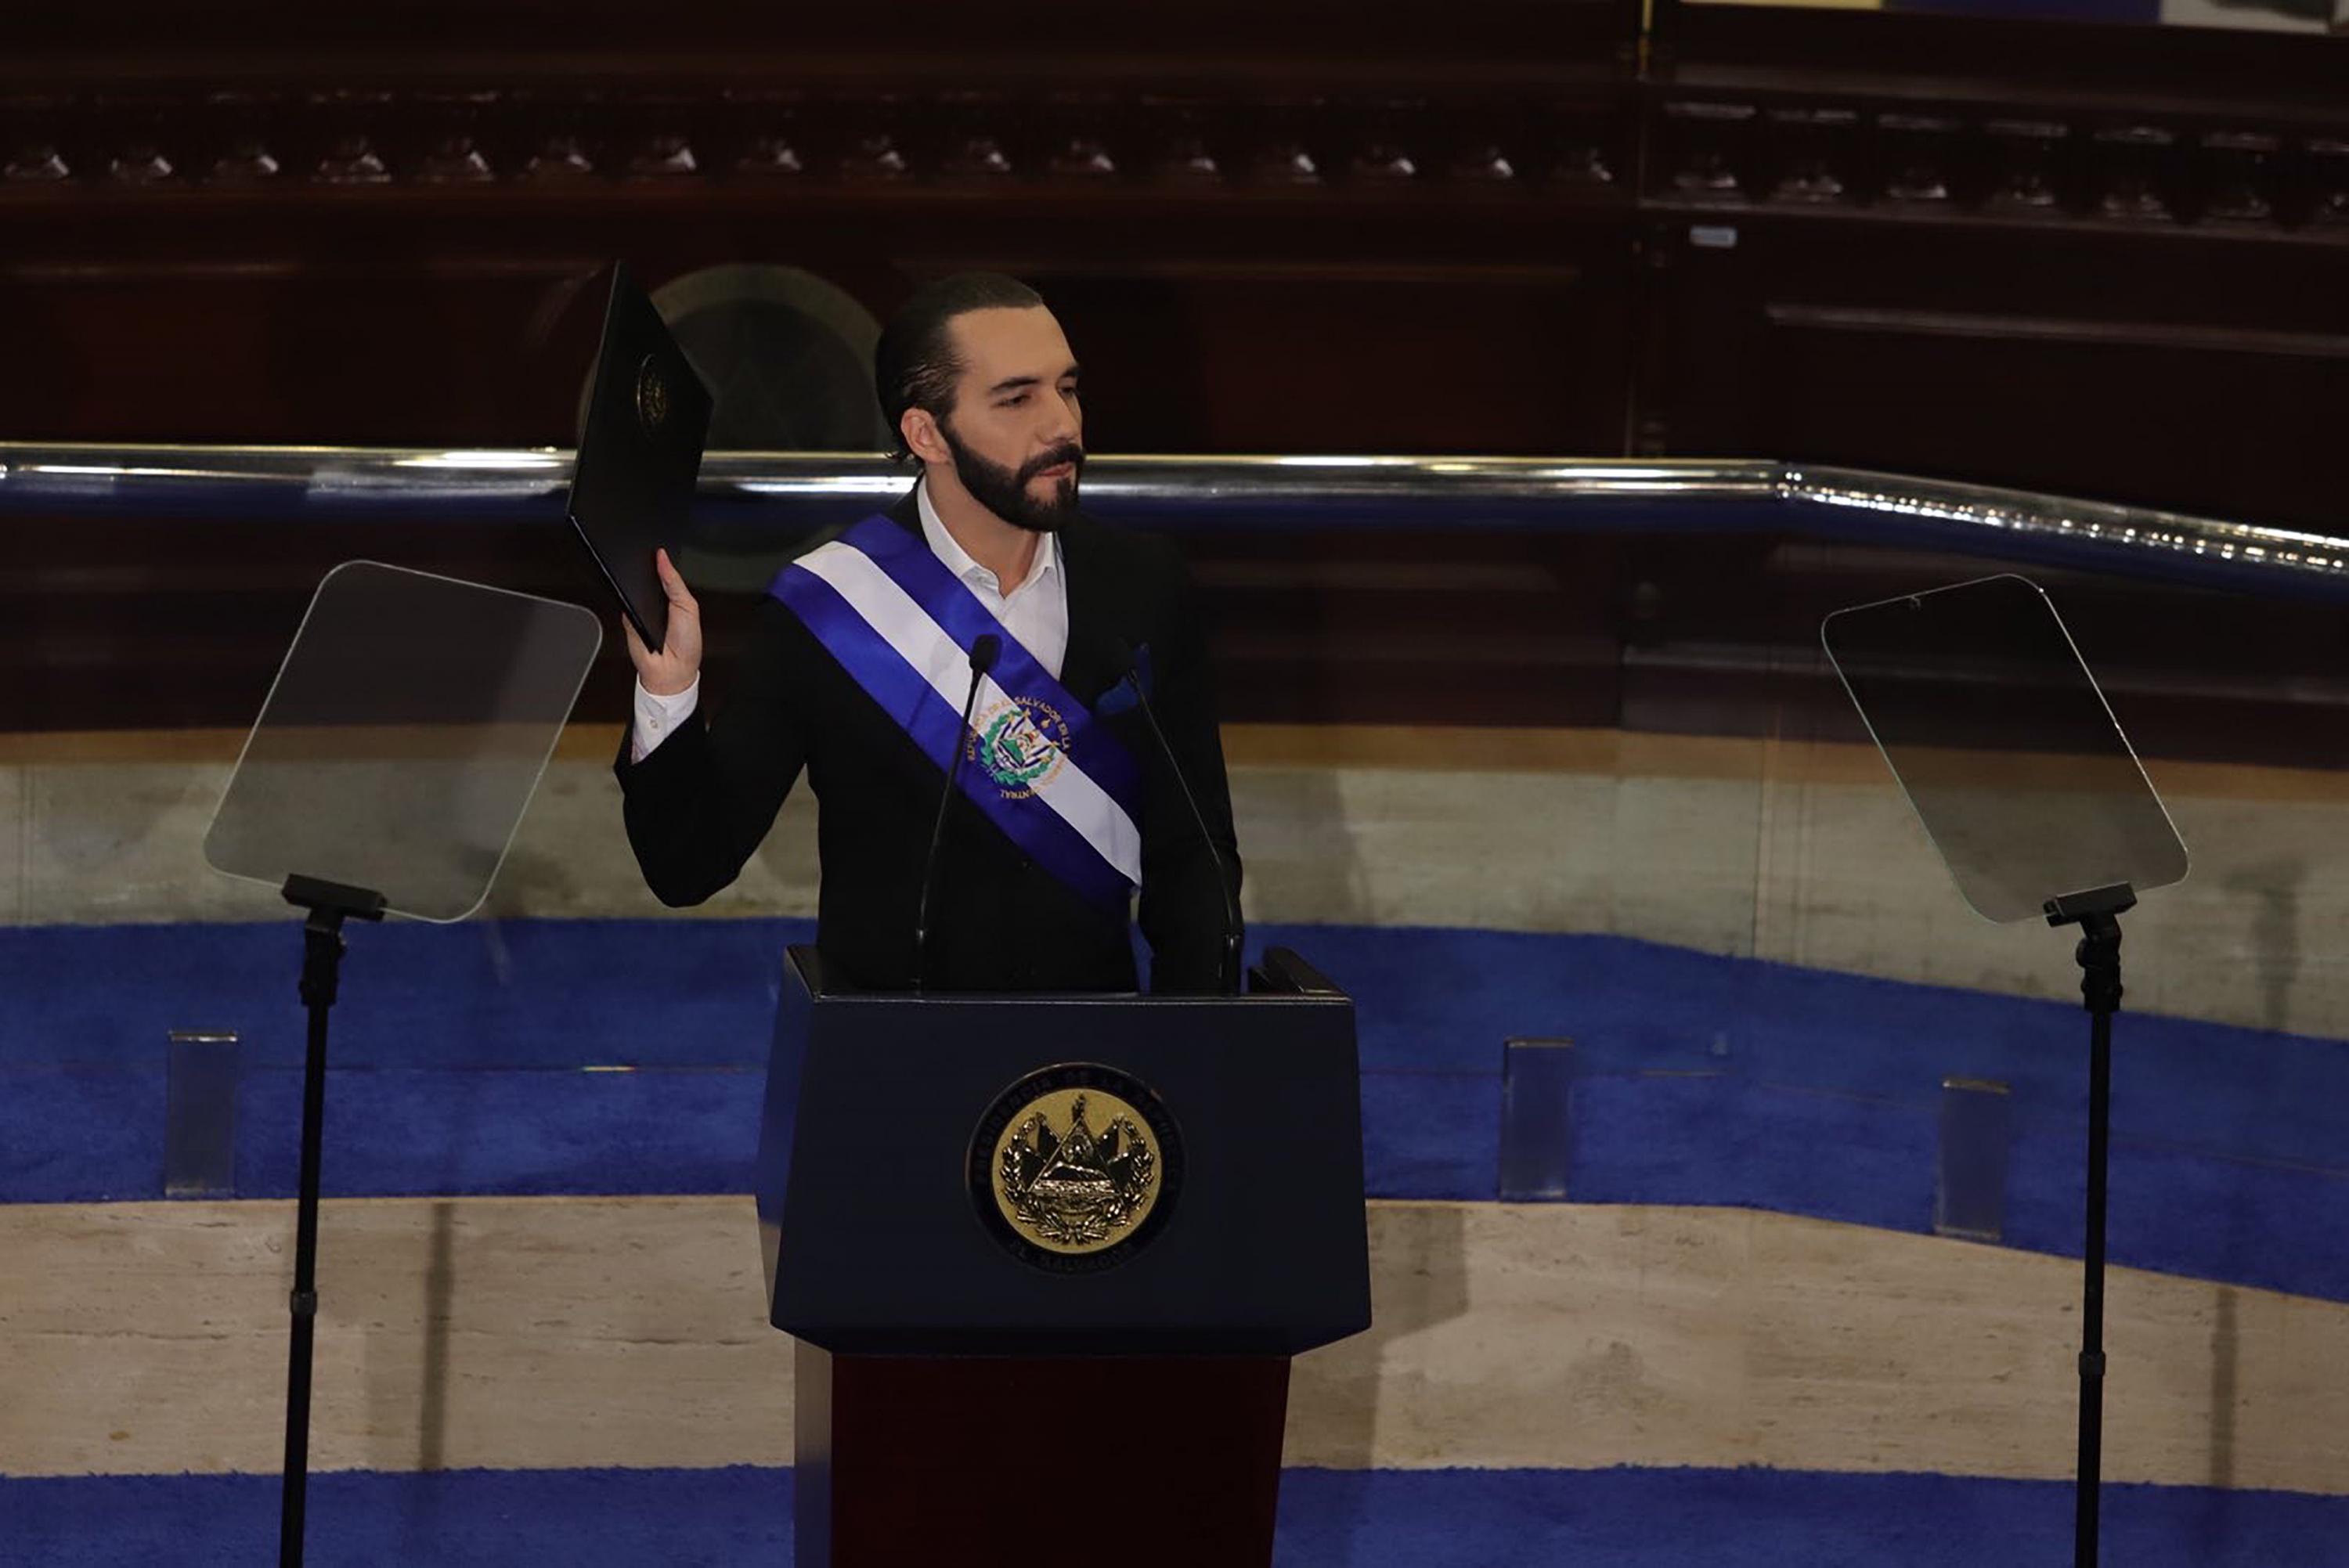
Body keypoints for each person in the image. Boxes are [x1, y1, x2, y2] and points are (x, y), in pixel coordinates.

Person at [614, 272, 1242, 994]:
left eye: (1067, 388)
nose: (1062, 425)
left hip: (1086, 1067)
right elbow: (688, 865)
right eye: (1017, 399)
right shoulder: (825, 609)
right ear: (926, 433)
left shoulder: (1143, 584)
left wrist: (1196, 1048)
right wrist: (669, 689)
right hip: (891, 1052)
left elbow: (1194, 853)